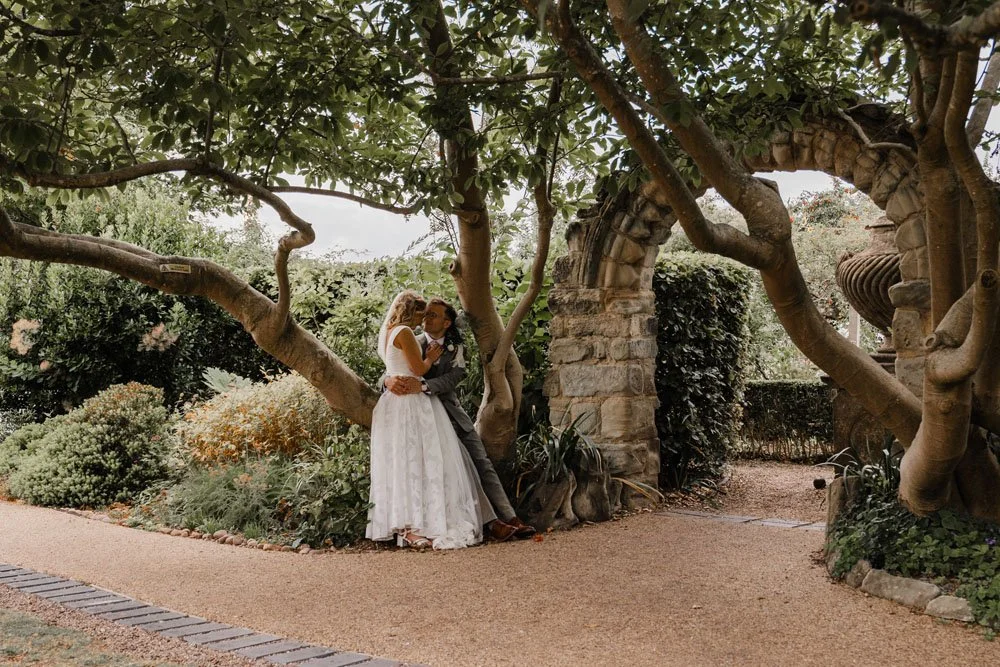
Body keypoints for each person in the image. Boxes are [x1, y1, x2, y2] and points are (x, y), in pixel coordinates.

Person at [385, 297, 536, 542]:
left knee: (481, 463)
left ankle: (510, 518)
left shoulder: (456, 347)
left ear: (446, 323)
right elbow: (394, 368)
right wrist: (387, 381)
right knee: (455, 469)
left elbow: (454, 378)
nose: (426, 318)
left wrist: (422, 386)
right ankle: (490, 524)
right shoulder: (413, 340)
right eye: (426, 314)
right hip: (421, 420)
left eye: (433, 315)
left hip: (452, 415)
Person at [367, 290, 495, 549]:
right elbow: (415, 370)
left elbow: (449, 377)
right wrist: (429, 359)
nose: (423, 320)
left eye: (429, 316)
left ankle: (421, 523)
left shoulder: (394, 331)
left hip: (414, 405)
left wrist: (414, 378)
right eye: (421, 313)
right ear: (410, 311)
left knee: (418, 463)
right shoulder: (405, 333)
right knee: (412, 462)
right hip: (410, 405)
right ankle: (411, 526)